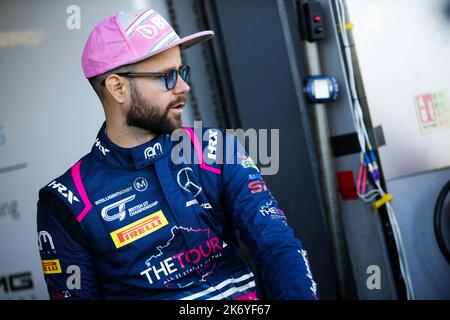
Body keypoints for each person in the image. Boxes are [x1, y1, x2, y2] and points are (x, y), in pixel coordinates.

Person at [36, 8, 319, 300]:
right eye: (167, 76)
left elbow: (276, 245)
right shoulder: (67, 200)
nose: (184, 86)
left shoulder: (216, 150)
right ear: (118, 88)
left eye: (182, 71)